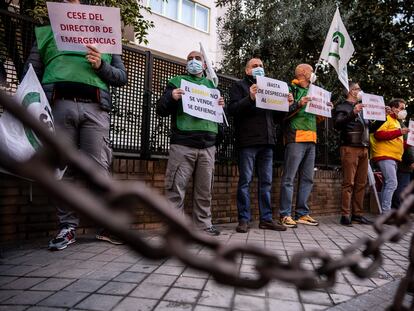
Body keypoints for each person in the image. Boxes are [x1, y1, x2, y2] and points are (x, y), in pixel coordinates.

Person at [24, 0, 127, 250]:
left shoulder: (106, 38)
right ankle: (67, 227)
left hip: (95, 109)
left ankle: (106, 226)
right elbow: (29, 72)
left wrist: (101, 65)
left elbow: (120, 77)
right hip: (58, 107)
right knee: (62, 168)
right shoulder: (46, 33)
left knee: (99, 168)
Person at [156, 50, 224, 236]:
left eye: (197, 59)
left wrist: (220, 106)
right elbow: (160, 108)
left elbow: (219, 116)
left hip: (208, 146)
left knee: (204, 190)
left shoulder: (212, 85)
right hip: (183, 144)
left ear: (204, 65)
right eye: (190, 59)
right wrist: (172, 97)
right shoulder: (177, 82)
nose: (193, 61)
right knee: (176, 188)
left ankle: (203, 224)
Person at [228, 57, 288, 233]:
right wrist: (250, 97)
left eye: (261, 65)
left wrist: (286, 105)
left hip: (267, 143)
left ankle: (266, 219)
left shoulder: (269, 88)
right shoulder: (239, 86)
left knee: (266, 183)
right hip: (248, 142)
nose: (259, 68)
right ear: (247, 71)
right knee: (245, 181)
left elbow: (276, 119)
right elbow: (232, 110)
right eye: (255, 66)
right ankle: (244, 219)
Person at [279, 64, 322, 228]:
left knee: (307, 178)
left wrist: (324, 109)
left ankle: (302, 214)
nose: (313, 74)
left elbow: (317, 118)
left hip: (312, 138)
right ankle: (285, 214)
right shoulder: (290, 88)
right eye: (311, 71)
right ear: (303, 73)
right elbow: (283, 113)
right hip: (295, 137)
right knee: (289, 177)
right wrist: (299, 103)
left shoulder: (314, 91)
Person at [333, 82, 372, 226]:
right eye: (356, 88)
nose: (360, 91)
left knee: (362, 183)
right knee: (348, 183)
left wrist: (383, 116)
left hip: (364, 147)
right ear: (349, 91)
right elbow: (337, 124)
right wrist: (353, 113)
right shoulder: (342, 106)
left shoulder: (364, 108)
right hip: (350, 147)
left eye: (360, 88)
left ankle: (358, 214)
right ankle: (345, 215)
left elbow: (370, 128)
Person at [370, 98, 408, 214]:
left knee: (388, 183)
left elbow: (397, 141)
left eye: (404, 109)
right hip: (384, 155)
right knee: (392, 182)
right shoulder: (386, 118)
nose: (403, 111)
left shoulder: (396, 122)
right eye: (401, 108)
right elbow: (378, 134)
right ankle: (386, 212)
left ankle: (385, 210)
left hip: (393, 157)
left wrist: (408, 142)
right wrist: (399, 132)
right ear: (393, 108)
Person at [392, 116, 414, 209]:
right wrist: (411, 161)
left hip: (405, 163)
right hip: (404, 164)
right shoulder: (404, 128)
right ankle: (398, 210)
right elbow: (408, 148)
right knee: (402, 187)